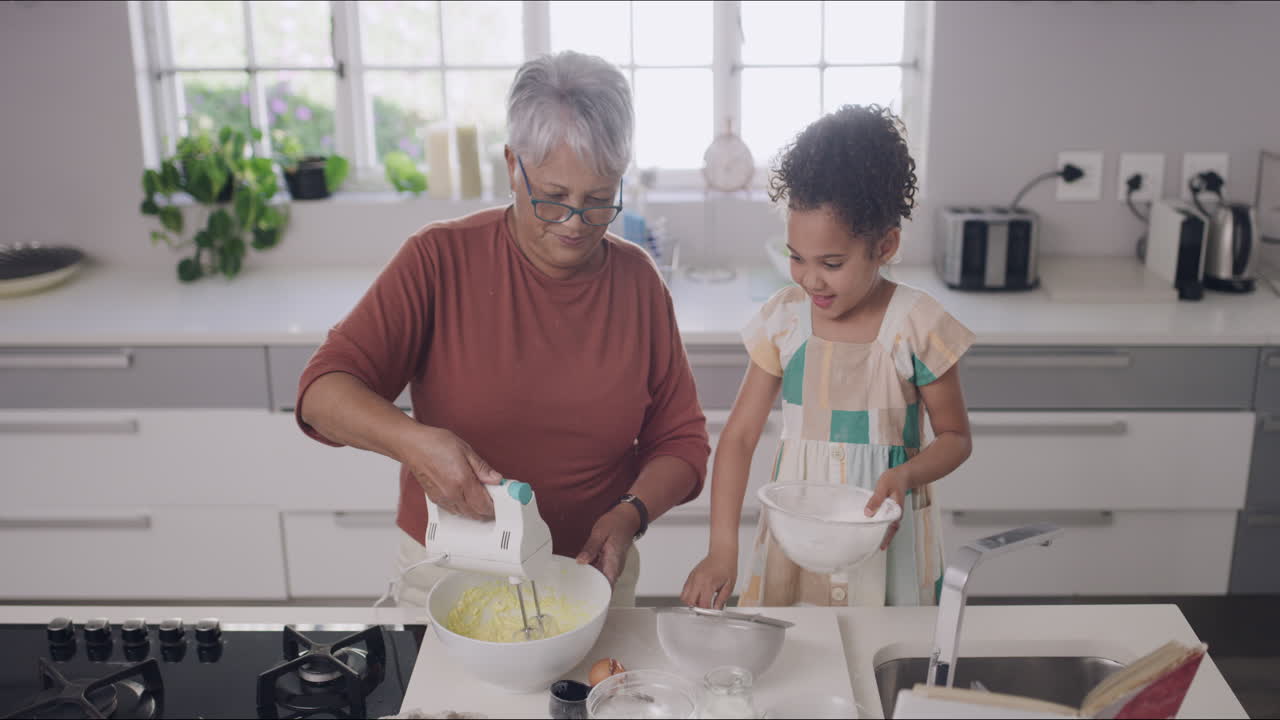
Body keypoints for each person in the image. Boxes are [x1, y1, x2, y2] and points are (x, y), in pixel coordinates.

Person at [295, 51, 710, 608]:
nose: (574, 224)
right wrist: (413, 443)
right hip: (447, 581)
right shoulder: (438, 259)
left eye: (597, 201)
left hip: (587, 584)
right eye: (554, 198)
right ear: (513, 163)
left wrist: (629, 516)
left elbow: (681, 443)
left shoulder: (637, 282)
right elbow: (321, 393)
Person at [681, 105, 975, 609]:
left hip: (885, 545)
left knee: (879, 668)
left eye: (831, 264)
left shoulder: (916, 325)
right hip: (796, 542)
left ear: (884, 245)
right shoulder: (785, 321)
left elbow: (955, 437)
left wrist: (906, 475)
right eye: (797, 257)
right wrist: (722, 549)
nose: (810, 279)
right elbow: (739, 437)